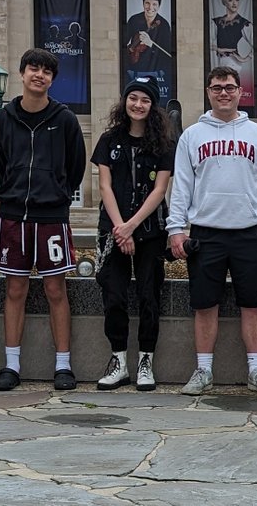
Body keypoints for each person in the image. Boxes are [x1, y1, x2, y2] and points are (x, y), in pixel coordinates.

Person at [168, 66, 257, 396]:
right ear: (208, 92)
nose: (224, 93)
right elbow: (182, 187)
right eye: (217, 87)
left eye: (230, 87)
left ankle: (256, 371)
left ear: (240, 92)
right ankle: (203, 370)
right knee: (205, 305)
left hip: (250, 232)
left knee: (254, 305)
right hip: (206, 233)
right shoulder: (192, 135)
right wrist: (176, 228)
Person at [0, 48, 86, 391]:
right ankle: (11, 366)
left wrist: (57, 193)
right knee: (15, 288)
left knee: (55, 288)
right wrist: (12, 193)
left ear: (52, 79)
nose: (39, 75)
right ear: (22, 72)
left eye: (46, 71)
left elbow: (76, 168)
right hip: (14, 218)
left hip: (51, 219)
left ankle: (63, 365)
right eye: (33, 68)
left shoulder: (65, 119)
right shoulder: (2, 120)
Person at [92, 77, 178, 391]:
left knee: (148, 297)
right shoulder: (109, 140)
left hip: (150, 231)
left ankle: (145, 361)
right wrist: (119, 227)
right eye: (133, 98)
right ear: (125, 102)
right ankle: (118, 361)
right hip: (112, 231)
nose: (138, 105)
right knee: (113, 296)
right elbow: (104, 186)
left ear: (152, 106)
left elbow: (160, 190)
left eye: (144, 100)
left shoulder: (164, 144)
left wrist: (132, 225)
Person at [125, 0, 174, 74]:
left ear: (159, 6)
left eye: (154, 4)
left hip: (156, 72)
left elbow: (168, 55)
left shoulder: (164, 25)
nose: (150, 7)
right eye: (147, 3)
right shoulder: (134, 20)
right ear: (143, 4)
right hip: (134, 69)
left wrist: (150, 44)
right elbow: (122, 43)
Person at [210, 0, 255, 72]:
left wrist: (244, 59)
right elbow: (205, 43)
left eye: (237, 0)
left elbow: (256, 43)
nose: (234, 3)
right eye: (230, 0)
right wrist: (219, 49)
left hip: (233, 61)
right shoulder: (217, 22)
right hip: (221, 62)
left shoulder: (244, 23)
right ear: (225, 3)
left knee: (229, 84)